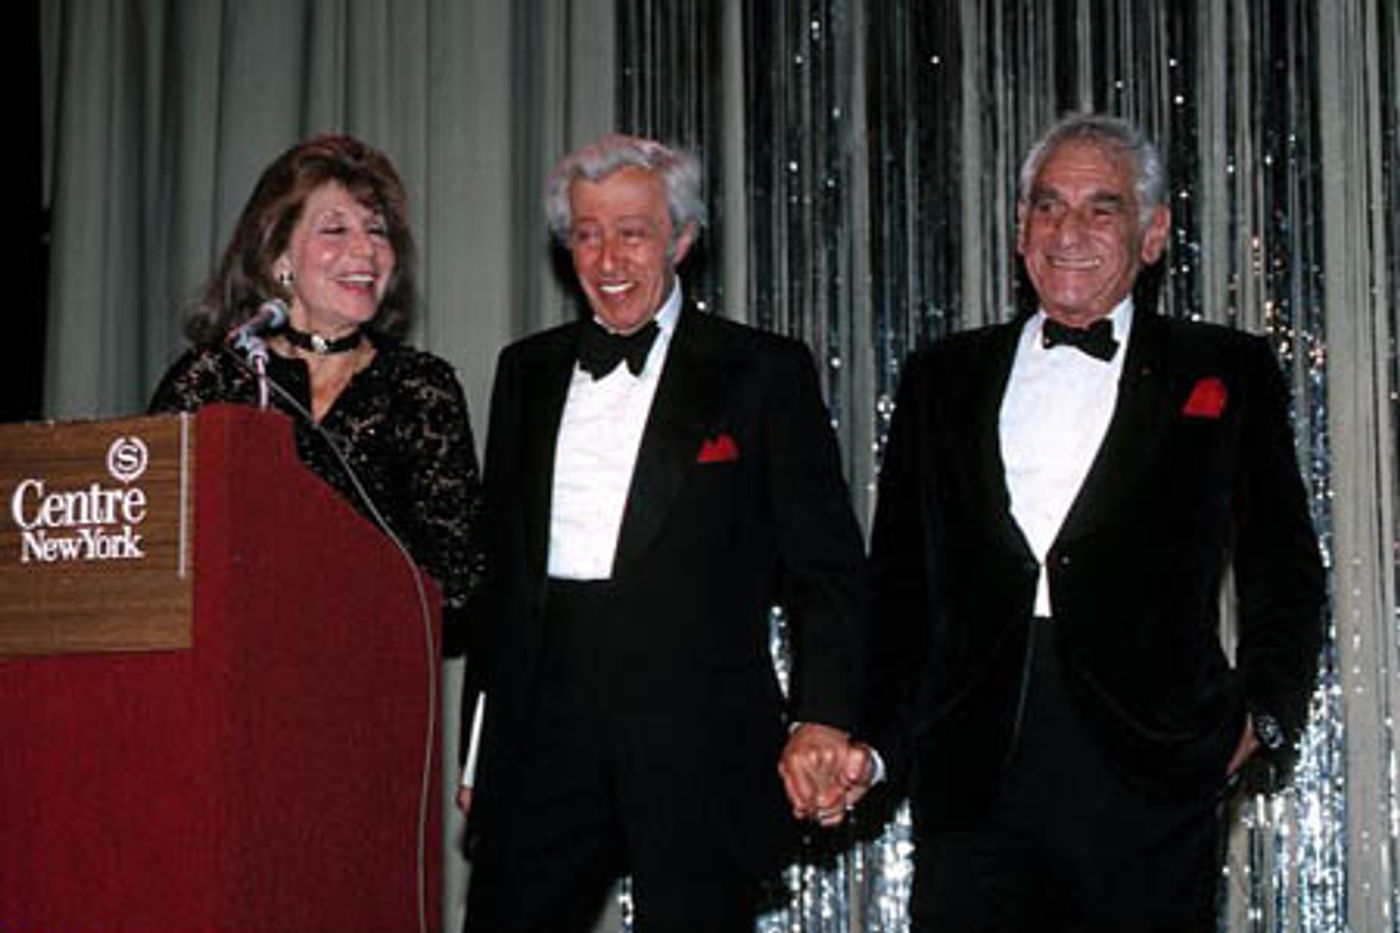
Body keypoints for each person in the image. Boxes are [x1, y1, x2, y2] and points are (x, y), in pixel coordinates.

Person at [804, 113, 1326, 930]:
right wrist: (871, 745)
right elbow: (902, 593)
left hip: (1151, 774)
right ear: (1020, 230)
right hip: (973, 774)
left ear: (1153, 234)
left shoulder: (1226, 369)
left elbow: (1285, 568)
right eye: (1048, 207)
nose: (1068, 231)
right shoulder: (942, 377)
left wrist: (1262, 716)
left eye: (1100, 209)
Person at [457, 134, 867, 932]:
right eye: (587, 234)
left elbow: (827, 566)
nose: (608, 258)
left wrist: (821, 715)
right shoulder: (525, 371)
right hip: (542, 729)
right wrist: (482, 744)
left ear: (681, 239)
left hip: (699, 733)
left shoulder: (762, 371)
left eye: (633, 233)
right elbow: (502, 580)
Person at [150, 134, 484, 653]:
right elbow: (153, 550)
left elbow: (458, 586)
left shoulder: (420, 388)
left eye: (376, 230)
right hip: (229, 668)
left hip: (366, 669)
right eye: (335, 229)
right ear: (278, 254)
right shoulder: (212, 378)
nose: (365, 250)